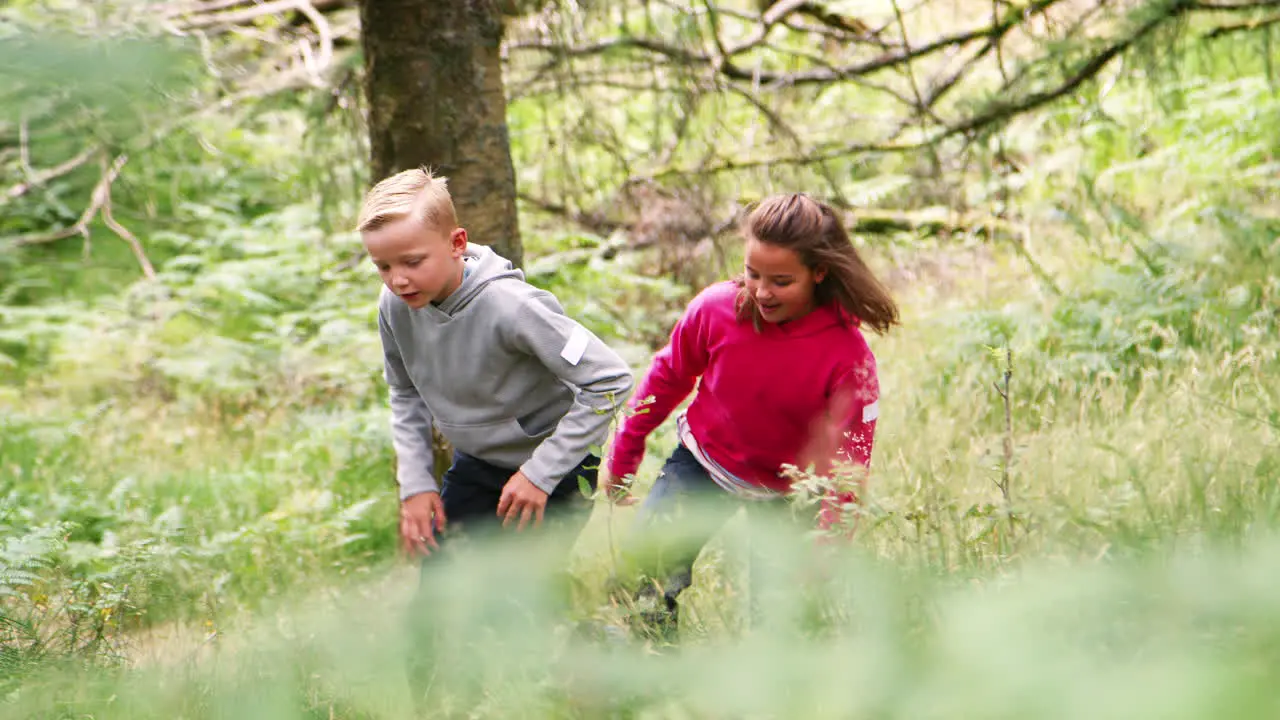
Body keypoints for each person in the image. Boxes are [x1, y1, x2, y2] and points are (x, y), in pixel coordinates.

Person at [604, 192, 899, 636]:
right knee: (640, 581)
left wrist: (828, 544)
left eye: (781, 281)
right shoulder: (716, 310)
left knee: (782, 620)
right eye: (752, 273)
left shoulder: (847, 357)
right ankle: (650, 683)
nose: (761, 291)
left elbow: (849, 461)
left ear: (819, 273)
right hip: (703, 464)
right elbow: (667, 377)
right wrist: (625, 451)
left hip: (790, 493)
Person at [358, 167, 635, 557]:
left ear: (457, 243)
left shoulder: (513, 307)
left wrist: (541, 475)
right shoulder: (394, 307)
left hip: (556, 470)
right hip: (476, 465)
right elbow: (405, 393)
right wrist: (416, 484)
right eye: (383, 267)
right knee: (444, 592)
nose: (397, 280)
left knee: (520, 598)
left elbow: (609, 379)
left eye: (412, 262)